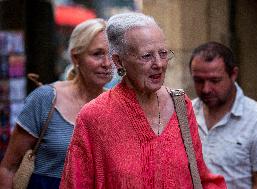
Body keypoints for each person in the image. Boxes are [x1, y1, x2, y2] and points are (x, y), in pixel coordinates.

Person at [60, 12, 226, 189]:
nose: (159, 64)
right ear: (119, 61)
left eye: (163, 53)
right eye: (146, 56)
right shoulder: (94, 116)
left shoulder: (180, 104)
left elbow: (201, 177)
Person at [0, 18, 112, 189]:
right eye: (97, 54)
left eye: (112, 55)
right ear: (76, 57)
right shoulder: (45, 99)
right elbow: (8, 168)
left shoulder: (117, 106)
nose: (107, 63)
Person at [189, 41, 257, 189]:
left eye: (215, 80)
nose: (206, 89)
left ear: (233, 74)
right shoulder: (183, 115)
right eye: (199, 80)